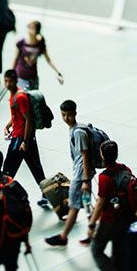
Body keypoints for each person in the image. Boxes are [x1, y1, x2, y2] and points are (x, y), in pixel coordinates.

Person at [44, 100, 96, 247]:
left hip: (81, 177)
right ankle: (93, 234)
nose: (66, 118)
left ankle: (63, 237)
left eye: (69, 115)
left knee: (74, 205)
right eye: (63, 115)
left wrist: (85, 180)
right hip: (83, 175)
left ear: (75, 113)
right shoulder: (76, 129)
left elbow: (85, 155)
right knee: (87, 205)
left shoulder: (78, 132)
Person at [90, 140, 137, 271]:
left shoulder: (104, 177)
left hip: (109, 220)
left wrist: (92, 224)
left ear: (102, 156)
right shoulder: (126, 169)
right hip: (126, 217)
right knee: (117, 248)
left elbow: (101, 203)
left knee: (96, 250)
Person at [1, 69, 48, 199]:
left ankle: (2, 194)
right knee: (36, 169)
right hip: (24, 138)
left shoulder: (20, 97)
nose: (8, 84)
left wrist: (25, 141)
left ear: (16, 81)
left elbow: (28, 119)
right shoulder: (14, 95)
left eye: (10, 81)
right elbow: (18, 115)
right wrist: (8, 125)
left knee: (8, 169)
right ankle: (47, 194)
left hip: (21, 139)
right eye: (6, 81)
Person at [12, 20, 63, 90]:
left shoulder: (40, 44)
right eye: (29, 28)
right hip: (21, 78)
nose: (30, 30)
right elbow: (15, 59)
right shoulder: (21, 43)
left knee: (34, 96)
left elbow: (49, 60)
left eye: (33, 28)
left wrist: (58, 72)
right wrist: (11, 74)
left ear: (37, 31)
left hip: (33, 78)